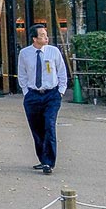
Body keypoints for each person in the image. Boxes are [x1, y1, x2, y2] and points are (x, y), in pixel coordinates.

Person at [17, 24, 67, 175]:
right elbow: (22, 74)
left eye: (46, 34)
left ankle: (49, 163)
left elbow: (61, 71)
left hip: (51, 94)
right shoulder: (25, 53)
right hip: (33, 95)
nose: (46, 37)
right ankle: (42, 158)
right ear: (34, 38)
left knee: (49, 126)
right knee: (37, 129)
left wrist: (61, 91)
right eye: (43, 35)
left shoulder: (53, 52)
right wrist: (26, 92)